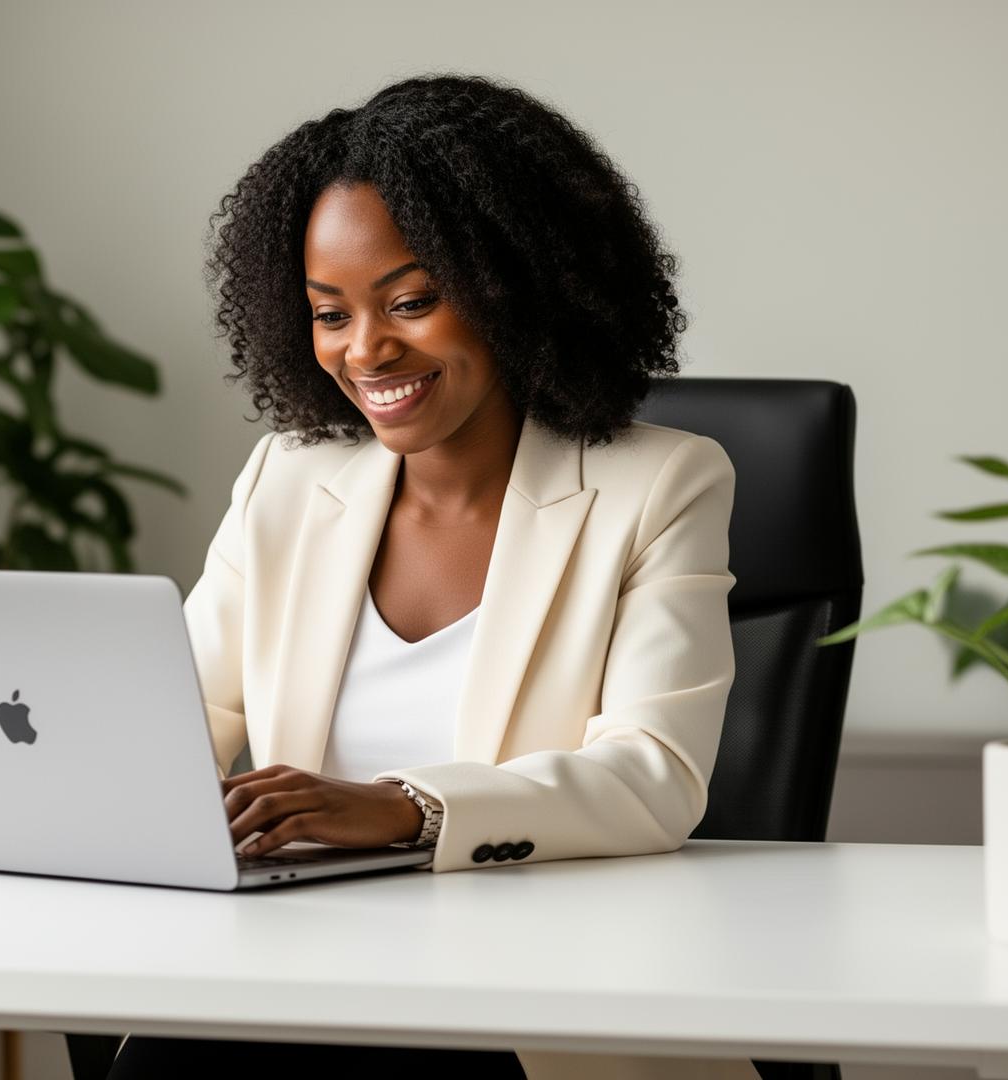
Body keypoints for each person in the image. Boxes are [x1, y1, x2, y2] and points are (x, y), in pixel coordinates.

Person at [102, 73, 755, 1080]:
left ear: (516, 285)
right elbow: (169, 721)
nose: (366, 350)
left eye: (411, 300)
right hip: (295, 994)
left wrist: (408, 809)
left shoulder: (658, 484)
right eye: (330, 314)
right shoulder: (289, 480)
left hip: (528, 1010)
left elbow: (650, 778)